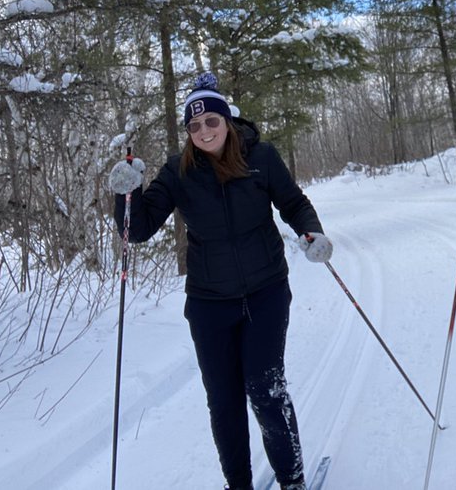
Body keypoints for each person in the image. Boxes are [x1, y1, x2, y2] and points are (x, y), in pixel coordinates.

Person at [108, 72, 332, 490]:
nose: (204, 131)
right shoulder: (177, 171)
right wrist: (126, 194)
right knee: (224, 401)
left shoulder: (260, 156)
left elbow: (293, 202)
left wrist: (311, 232)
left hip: (265, 292)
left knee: (265, 390)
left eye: (211, 121)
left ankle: (293, 480)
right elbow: (136, 229)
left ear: (227, 120)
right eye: (194, 125)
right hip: (209, 304)